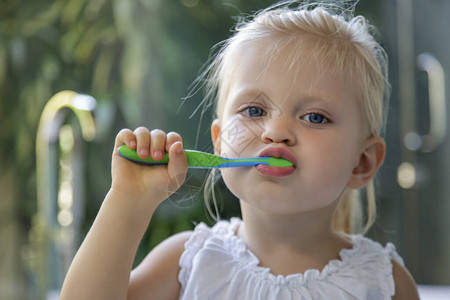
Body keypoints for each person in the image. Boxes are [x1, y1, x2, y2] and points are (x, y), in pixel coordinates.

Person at [60, 1, 420, 299]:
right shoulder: (189, 263)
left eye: (314, 116)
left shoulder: (385, 283)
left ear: (362, 162)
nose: (276, 131)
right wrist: (128, 202)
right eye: (254, 111)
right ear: (219, 141)